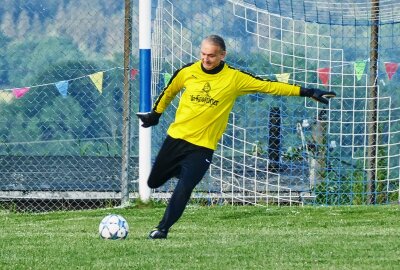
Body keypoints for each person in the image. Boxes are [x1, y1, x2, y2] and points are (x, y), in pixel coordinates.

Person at [137, 34, 336, 239]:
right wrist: (155, 115)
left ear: (223, 55)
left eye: (212, 56)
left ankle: (162, 229)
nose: (206, 59)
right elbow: (169, 91)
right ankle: (179, 169)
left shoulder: (234, 78)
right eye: (203, 54)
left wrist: (308, 91)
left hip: (202, 147)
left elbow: (269, 86)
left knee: (185, 187)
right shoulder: (187, 72)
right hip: (176, 139)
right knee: (153, 182)